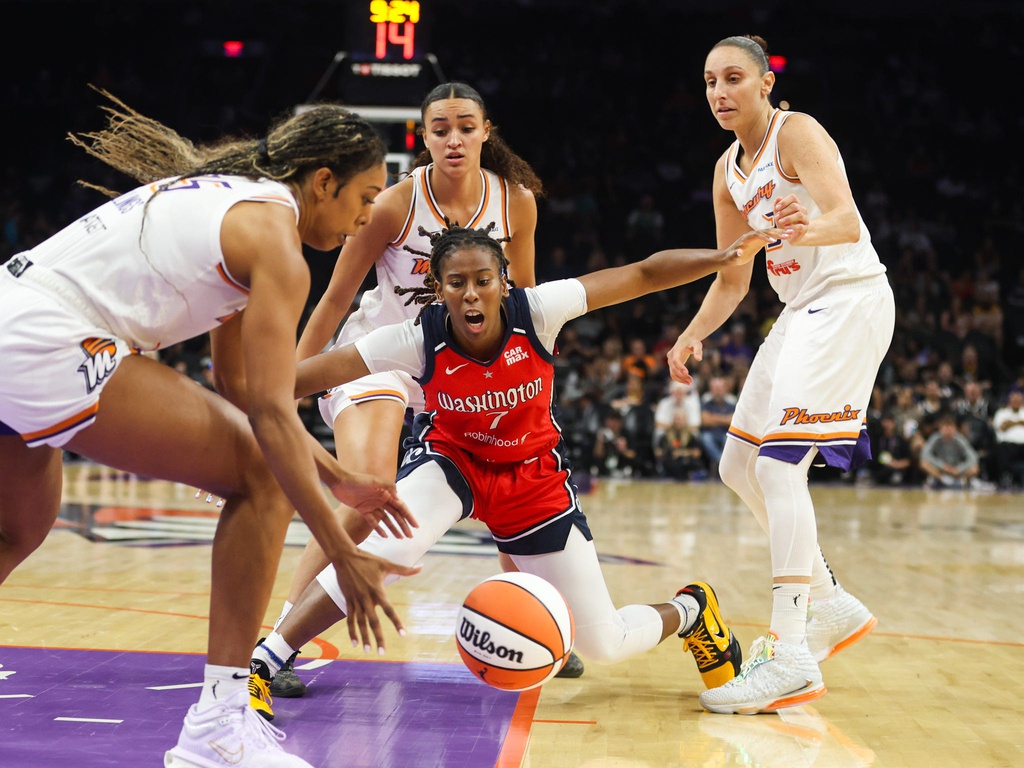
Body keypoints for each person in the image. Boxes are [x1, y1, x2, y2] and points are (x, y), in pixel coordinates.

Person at [0, 89, 421, 768]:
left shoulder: (234, 199)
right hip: (56, 340)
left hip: (11, 319)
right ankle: (219, 730)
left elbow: (243, 388)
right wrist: (338, 551)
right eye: (364, 196)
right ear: (322, 183)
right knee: (260, 475)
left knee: (17, 530)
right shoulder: (277, 245)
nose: (366, 216)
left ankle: (219, 731)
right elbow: (270, 416)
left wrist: (335, 472)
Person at [248, 223, 784, 720]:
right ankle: (264, 663)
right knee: (389, 541)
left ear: (503, 282)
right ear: (438, 288)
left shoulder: (540, 311)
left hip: (532, 479)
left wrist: (721, 257)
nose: (472, 293)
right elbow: (297, 379)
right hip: (453, 463)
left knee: (604, 643)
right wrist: (237, 424)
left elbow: (642, 273)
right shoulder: (415, 338)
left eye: (484, 279)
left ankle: (692, 611)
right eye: (457, 282)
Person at [263, 81, 587, 695]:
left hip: (467, 366)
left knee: (509, 481)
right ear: (424, 138)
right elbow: (334, 298)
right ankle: (279, 638)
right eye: (441, 129)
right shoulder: (393, 205)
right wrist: (284, 392)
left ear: (486, 131)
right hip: (383, 357)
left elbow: (524, 298)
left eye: (466, 126)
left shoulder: (516, 201)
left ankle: (534, 621)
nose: (454, 138)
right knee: (372, 490)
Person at [667, 35, 896, 715]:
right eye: (710, 81)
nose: (720, 92)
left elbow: (847, 219)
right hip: (802, 311)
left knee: (776, 467)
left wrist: (807, 225)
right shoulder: (726, 170)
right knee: (737, 466)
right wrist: (692, 333)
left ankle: (792, 652)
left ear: (766, 83)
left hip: (850, 299)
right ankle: (827, 601)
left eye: (734, 78)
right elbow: (734, 274)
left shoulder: (797, 132)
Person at [918, 413, 982, 489]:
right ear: (940, 428)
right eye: (945, 427)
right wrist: (942, 466)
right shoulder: (935, 438)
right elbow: (924, 454)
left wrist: (958, 469)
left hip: (957, 471)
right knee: (923, 464)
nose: (947, 431)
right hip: (940, 470)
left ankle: (961, 480)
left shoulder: (960, 439)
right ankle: (941, 479)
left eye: (950, 427)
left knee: (975, 468)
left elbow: (973, 458)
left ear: (955, 429)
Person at [992, 387, 1024, 489]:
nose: (1015, 402)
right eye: (1013, 400)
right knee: (1001, 449)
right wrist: (1020, 422)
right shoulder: (1002, 413)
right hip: (1008, 445)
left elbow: (1007, 424)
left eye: (1018, 400)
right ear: (1009, 401)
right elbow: (1002, 426)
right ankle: (1005, 477)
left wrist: (1011, 423)